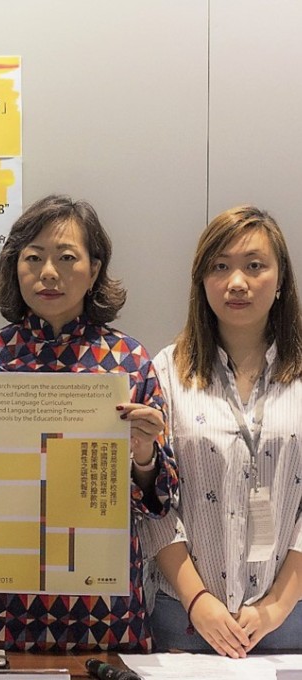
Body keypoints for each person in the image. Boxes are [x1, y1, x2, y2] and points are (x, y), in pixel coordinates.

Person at [0, 194, 179, 651]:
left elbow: (157, 504)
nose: (49, 273)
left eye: (66, 257)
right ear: (14, 267)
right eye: (34, 257)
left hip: (102, 610)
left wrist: (143, 455)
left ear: (95, 269)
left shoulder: (129, 362)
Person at [141, 206, 302, 656]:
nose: (236, 282)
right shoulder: (166, 371)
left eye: (254, 266)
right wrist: (197, 601)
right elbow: (150, 496)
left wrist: (276, 605)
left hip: (290, 619)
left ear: (281, 278)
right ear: (202, 279)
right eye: (220, 266)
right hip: (184, 618)